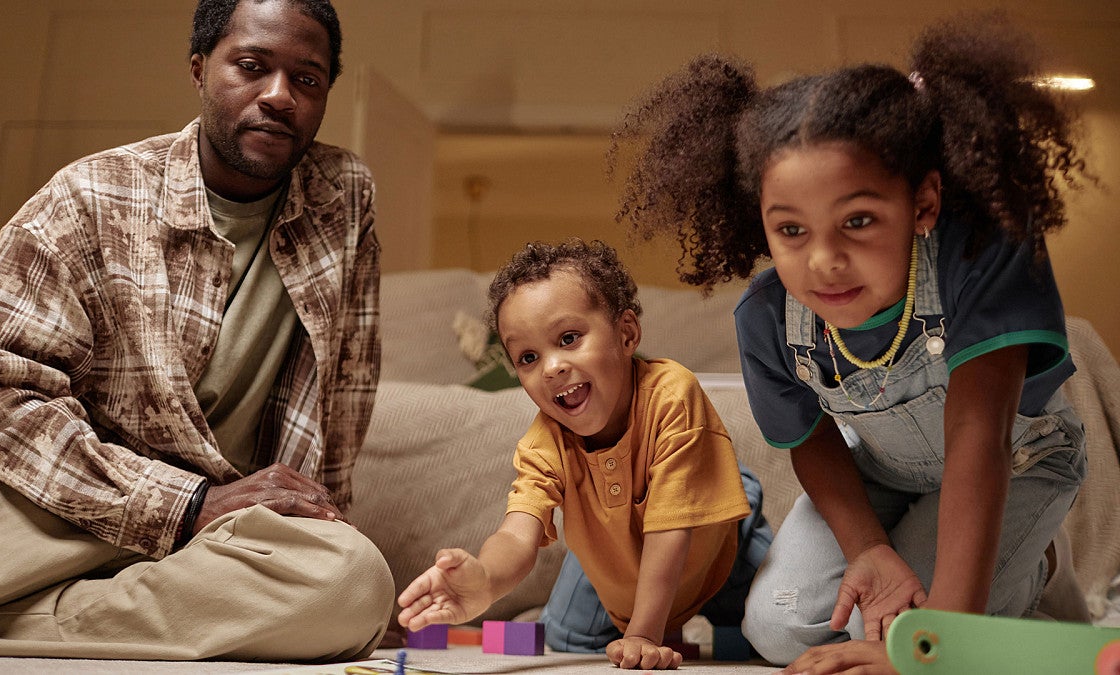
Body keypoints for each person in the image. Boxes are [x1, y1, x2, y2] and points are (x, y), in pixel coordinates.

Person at [609, 11, 1092, 674]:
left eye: (858, 221)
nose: (824, 260)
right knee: (778, 629)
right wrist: (868, 548)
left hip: (1015, 463)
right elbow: (809, 438)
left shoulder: (980, 255)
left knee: (916, 629)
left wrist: (932, 648)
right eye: (792, 231)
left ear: (922, 203)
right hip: (885, 472)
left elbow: (982, 437)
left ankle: (1034, 568)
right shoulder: (766, 316)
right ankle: (961, 576)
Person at [0, 0, 394, 661]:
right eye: (252, 67)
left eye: (307, 79)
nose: (280, 96)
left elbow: (344, 391)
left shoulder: (343, 198)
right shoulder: (91, 195)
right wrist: (183, 501)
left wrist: (319, 521)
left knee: (353, 581)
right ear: (199, 70)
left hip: (217, 532)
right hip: (55, 494)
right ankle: (105, 601)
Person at [397, 239, 754, 670]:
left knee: (761, 628)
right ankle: (604, 571)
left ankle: (741, 494)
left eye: (569, 338)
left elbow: (671, 530)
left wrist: (644, 633)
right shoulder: (542, 443)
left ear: (626, 333)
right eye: (528, 357)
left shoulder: (672, 396)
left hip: (712, 540)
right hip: (614, 546)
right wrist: (486, 581)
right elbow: (516, 534)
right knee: (567, 636)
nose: (551, 367)